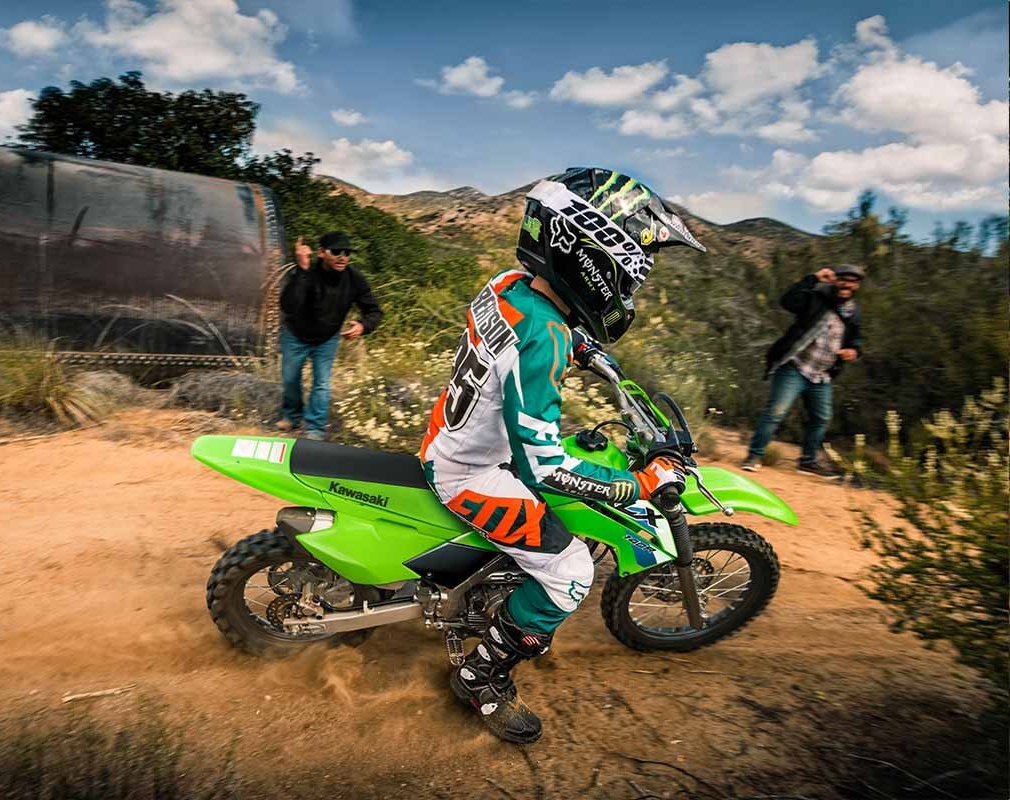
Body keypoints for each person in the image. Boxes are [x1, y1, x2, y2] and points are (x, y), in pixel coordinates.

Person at [419, 168, 706, 743]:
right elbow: (547, 468)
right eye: (634, 272)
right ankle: (480, 676)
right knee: (571, 573)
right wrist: (640, 485)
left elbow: (520, 333)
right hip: (472, 474)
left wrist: (578, 343)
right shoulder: (544, 339)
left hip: (452, 440)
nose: (633, 286)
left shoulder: (509, 286)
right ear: (597, 259)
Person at [741, 265, 864, 477]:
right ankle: (754, 456)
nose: (847, 284)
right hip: (795, 366)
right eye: (843, 279)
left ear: (858, 285)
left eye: (853, 281)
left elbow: (855, 339)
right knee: (776, 412)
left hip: (821, 375)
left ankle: (808, 462)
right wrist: (813, 278)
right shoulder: (816, 298)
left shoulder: (853, 313)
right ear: (835, 280)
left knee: (821, 418)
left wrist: (854, 351)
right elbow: (787, 301)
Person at [277, 231, 383, 441]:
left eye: (347, 253)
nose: (342, 257)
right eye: (336, 252)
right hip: (295, 334)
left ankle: (314, 429)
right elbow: (288, 305)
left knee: (322, 384)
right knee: (290, 380)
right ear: (321, 253)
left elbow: (374, 310)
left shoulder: (354, 279)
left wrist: (363, 326)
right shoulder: (307, 272)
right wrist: (302, 269)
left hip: (327, 338)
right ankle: (292, 416)